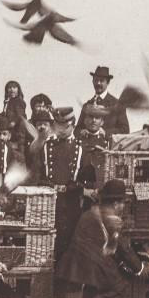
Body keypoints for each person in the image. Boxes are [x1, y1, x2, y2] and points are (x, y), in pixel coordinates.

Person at [54, 179, 142, 298]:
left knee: (97, 275)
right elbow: (122, 247)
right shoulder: (111, 218)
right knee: (123, 277)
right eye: (123, 202)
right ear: (115, 204)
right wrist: (139, 267)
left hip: (77, 259)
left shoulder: (93, 211)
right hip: (89, 260)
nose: (124, 206)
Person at [35, 108, 95, 262]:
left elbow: (88, 178)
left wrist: (74, 187)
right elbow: (38, 174)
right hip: (48, 203)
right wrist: (48, 186)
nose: (61, 130)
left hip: (71, 203)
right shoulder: (47, 147)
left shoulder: (81, 149)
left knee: (68, 246)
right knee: (45, 245)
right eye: (58, 126)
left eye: (65, 126)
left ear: (73, 125)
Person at [77, 66, 129, 136]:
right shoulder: (87, 105)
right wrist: (81, 132)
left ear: (108, 83)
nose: (98, 83)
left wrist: (106, 132)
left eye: (101, 81)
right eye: (96, 80)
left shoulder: (117, 104)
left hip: (109, 146)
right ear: (92, 81)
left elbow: (125, 130)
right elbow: (77, 130)